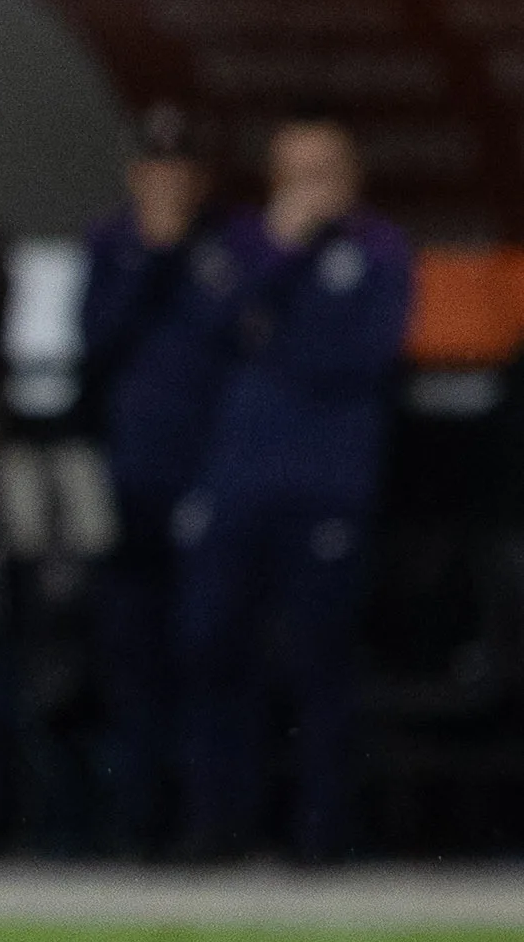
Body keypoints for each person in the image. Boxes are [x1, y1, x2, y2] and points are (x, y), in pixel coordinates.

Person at [174, 116, 411, 862]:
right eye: (293, 169)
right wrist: (280, 253)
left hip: (326, 486)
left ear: (351, 173)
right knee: (214, 651)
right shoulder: (251, 242)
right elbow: (208, 328)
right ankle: (218, 828)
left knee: (319, 662)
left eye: (321, 168)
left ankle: (320, 835)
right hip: (239, 482)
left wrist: (270, 333)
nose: (307, 184)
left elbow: (361, 356)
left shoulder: (379, 249)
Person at [79, 105, 226, 853]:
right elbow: (94, 347)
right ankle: (134, 825)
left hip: (209, 483)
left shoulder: (226, 247)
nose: (164, 183)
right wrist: (152, 258)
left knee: (204, 658)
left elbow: (239, 351)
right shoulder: (110, 245)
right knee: (129, 661)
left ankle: (206, 824)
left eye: (179, 169)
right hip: (128, 483)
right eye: (153, 167)